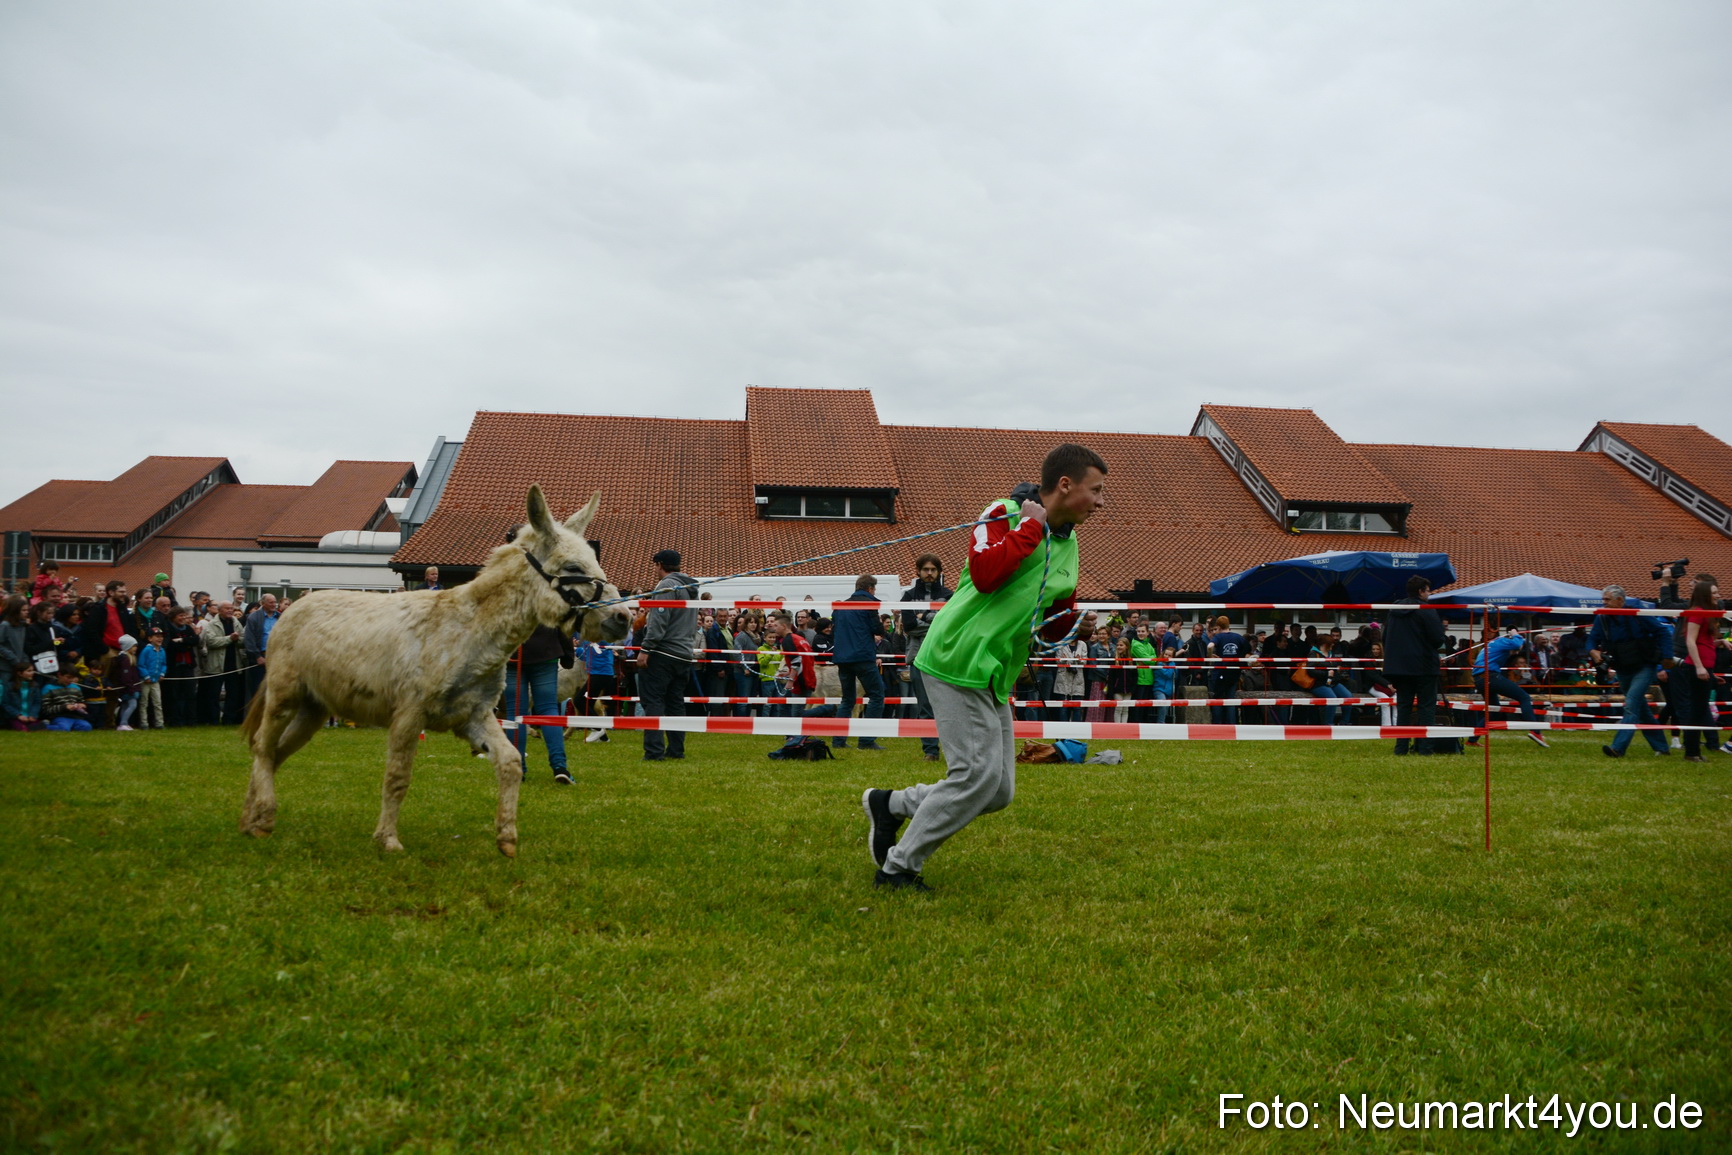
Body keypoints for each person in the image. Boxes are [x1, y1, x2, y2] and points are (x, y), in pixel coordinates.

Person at [862, 443, 1105, 892]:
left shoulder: (1069, 546)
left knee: (997, 791)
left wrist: (1078, 626)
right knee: (974, 777)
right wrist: (1031, 526)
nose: (1100, 501)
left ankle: (890, 805)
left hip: (994, 671)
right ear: (1065, 485)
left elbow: (1049, 627)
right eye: (1095, 490)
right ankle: (897, 869)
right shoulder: (1005, 512)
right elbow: (987, 573)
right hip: (957, 656)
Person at [1588, 585, 1672, 758]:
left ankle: (1618, 748)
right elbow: (1591, 640)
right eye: (1603, 600)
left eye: (1607, 600)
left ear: (1620, 601)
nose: (1604, 604)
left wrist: (1667, 657)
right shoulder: (1601, 618)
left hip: (1645, 665)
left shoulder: (1638, 615)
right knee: (1641, 709)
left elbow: (1662, 631)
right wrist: (1593, 651)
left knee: (1632, 704)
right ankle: (1662, 747)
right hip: (1622, 667)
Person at [636, 548, 698, 762]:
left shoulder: (666, 585)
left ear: (659, 565)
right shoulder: (690, 586)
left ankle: (654, 752)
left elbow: (658, 621)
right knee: (675, 703)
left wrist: (646, 649)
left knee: (653, 701)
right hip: (684, 654)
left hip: (663, 652)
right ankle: (676, 750)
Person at [1382, 576, 1446, 754]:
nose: (1429, 594)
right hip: (1424, 666)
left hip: (1400, 668)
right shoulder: (1426, 610)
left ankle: (1401, 747)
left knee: (1403, 708)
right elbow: (1437, 638)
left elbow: (1385, 637)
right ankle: (1425, 748)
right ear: (1421, 591)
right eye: (1428, 590)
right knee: (1426, 707)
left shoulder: (1394, 610)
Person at [505, 625, 575, 783]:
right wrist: (568, 655)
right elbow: (564, 622)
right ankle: (559, 767)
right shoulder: (552, 598)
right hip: (546, 652)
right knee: (549, 710)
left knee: (515, 713)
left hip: (512, 653)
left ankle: (517, 769)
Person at [901, 555, 952, 762]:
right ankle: (930, 751)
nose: (929, 573)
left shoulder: (950, 595)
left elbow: (949, 626)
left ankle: (952, 750)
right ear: (918, 571)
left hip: (943, 657)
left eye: (933, 569)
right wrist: (934, 621)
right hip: (917, 658)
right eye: (925, 569)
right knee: (924, 706)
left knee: (948, 707)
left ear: (939, 571)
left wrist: (923, 616)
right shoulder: (907, 596)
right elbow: (910, 625)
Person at [830, 575, 888, 750]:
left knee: (847, 700)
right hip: (863, 657)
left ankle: (838, 741)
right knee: (877, 695)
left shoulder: (840, 607)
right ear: (870, 588)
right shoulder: (869, 604)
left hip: (843, 658)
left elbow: (834, 633)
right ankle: (866, 740)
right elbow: (878, 629)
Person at [1473, 625, 1550, 748]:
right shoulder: (1502, 641)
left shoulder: (1491, 645)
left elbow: (1515, 649)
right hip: (1490, 676)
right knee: (1524, 697)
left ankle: (1472, 739)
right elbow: (1516, 644)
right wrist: (1516, 634)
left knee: (1493, 710)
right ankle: (1536, 731)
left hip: (1479, 679)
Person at [1679, 574, 1723, 763]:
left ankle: (1694, 751)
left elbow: (1704, 641)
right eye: (1714, 592)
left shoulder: (1708, 613)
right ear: (1706, 594)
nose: (1718, 595)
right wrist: (1699, 667)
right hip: (1698, 667)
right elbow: (1690, 641)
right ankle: (1691, 751)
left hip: (1706, 667)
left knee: (1699, 709)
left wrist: (1719, 642)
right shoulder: (1697, 612)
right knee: (1696, 711)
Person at [199, 601, 245, 724]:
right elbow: (211, 642)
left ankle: (228, 719)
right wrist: (230, 639)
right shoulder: (212, 624)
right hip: (216, 665)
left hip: (234, 664)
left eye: (231, 608)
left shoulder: (236, 622)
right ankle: (213, 719)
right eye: (227, 608)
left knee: (233, 694)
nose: (230, 610)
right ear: (220, 610)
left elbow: (243, 640)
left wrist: (236, 640)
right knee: (213, 695)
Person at [161, 606, 201, 726]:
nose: (183, 618)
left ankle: (190, 720)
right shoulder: (168, 628)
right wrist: (186, 642)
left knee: (190, 694)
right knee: (174, 695)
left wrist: (181, 641)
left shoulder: (188, 628)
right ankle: (175, 720)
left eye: (184, 615)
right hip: (174, 666)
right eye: (180, 616)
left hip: (188, 665)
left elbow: (195, 640)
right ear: (173, 617)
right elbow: (171, 646)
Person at [242, 593, 279, 707]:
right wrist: (257, 656)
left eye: (275, 602)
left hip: (276, 656)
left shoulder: (280, 616)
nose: (274, 605)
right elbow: (249, 639)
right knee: (258, 689)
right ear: (262, 603)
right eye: (271, 602)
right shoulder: (254, 617)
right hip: (260, 656)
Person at [1207, 617, 1246, 723]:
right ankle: (1231, 725)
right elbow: (1246, 649)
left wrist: (1210, 656)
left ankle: (1218, 725)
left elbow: (1210, 646)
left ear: (1219, 627)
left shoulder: (1219, 637)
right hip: (1234, 672)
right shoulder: (1238, 637)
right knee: (1230, 700)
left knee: (1218, 700)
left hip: (1220, 672)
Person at [108, 635, 142, 730]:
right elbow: (125, 676)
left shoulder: (130, 658)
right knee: (132, 705)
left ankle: (123, 723)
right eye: (134, 646)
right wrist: (130, 687)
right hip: (129, 687)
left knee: (125, 705)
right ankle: (123, 722)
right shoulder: (125, 659)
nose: (136, 648)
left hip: (129, 686)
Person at [1128, 623, 1158, 722]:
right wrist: (1151, 659)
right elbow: (1148, 660)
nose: (1140, 633)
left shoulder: (1148, 644)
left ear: (1147, 633)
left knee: (1146, 707)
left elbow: (1154, 659)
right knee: (1138, 707)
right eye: (1138, 631)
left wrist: (1151, 659)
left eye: (1142, 631)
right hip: (1140, 680)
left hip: (1149, 678)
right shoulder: (1136, 644)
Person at [2, 661, 45, 730]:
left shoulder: (35, 686)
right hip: (15, 716)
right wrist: (18, 715)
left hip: (30, 716)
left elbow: (37, 703)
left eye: (33, 670)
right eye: (29, 671)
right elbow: (6, 704)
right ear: (20, 673)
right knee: (22, 728)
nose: (32, 673)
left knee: (38, 728)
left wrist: (33, 715)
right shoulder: (9, 686)